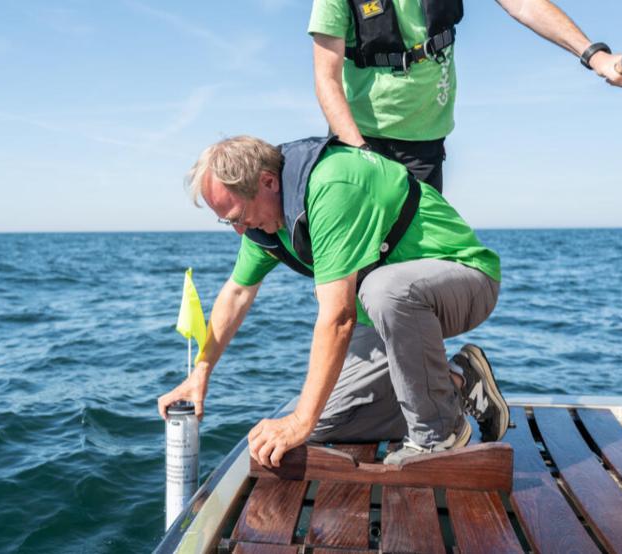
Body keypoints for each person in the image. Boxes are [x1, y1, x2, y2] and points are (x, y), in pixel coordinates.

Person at [157, 135, 508, 467]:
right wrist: (201, 370)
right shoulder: (263, 224)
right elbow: (236, 293)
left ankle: (438, 435)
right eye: (227, 221)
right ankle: (460, 381)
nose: (238, 230)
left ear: (268, 182)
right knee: (326, 421)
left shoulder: (332, 185)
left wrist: (299, 421)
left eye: (236, 216)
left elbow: (338, 317)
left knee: (382, 291)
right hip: (386, 317)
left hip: (466, 280)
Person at [309, 0, 622, 193]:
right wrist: (362, 156)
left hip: (425, 143)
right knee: (354, 274)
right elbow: (327, 78)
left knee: (415, 270)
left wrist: (595, 56)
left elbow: (524, 5)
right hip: (360, 140)